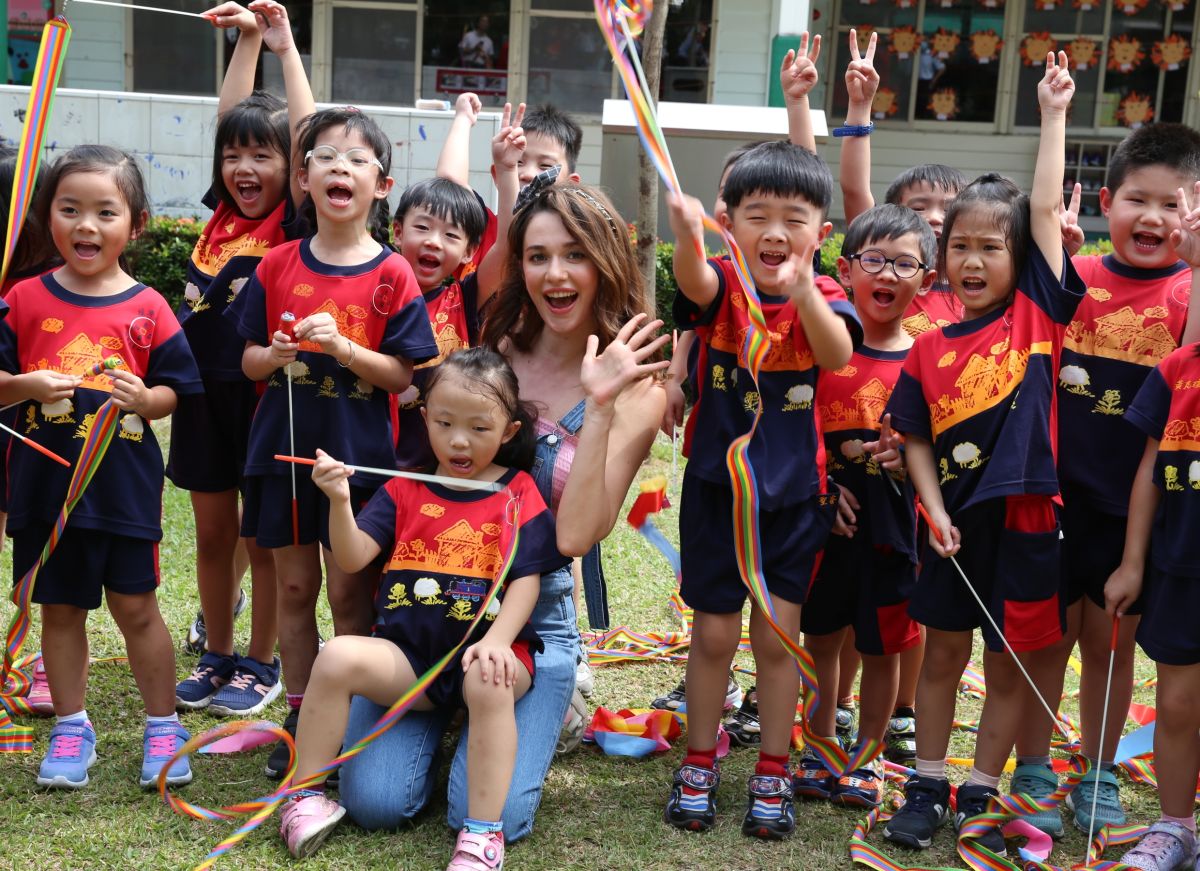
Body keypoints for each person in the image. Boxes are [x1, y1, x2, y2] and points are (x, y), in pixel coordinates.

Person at [337, 183, 666, 842]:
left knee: (487, 818)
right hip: (429, 610)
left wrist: (598, 408)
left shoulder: (639, 391)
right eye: (537, 256)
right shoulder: (499, 346)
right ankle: (448, 712)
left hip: (531, 626)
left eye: (574, 255)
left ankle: (542, 703)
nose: (554, 274)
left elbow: (572, 534)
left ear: (606, 261)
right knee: (375, 802)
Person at [880, 53, 1081, 857]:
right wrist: (930, 509)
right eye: (959, 247)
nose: (972, 261)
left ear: (1018, 259)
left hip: (1029, 524)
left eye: (990, 248)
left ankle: (982, 786)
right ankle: (927, 780)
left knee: (1006, 663)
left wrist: (1053, 115)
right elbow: (917, 439)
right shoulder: (926, 351)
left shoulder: (1039, 313)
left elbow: (1038, 219)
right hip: (953, 529)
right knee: (942, 657)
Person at [279, 348, 570, 867]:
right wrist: (340, 501)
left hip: (488, 657)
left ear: (508, 431)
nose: (459, 440)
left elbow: (527, 579)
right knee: (338, 656)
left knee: (488, 677)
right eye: (444, 423)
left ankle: (482, 833)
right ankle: (304, 796)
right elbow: (351, 556)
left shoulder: (518, 491)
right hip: (408, 660)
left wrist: (499, 640)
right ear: (425, 417)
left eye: (479, 428)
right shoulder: (403, 488)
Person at [225, 105, 438, 779]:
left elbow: (405, 375)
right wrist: (275, 351)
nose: (339, 166)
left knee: (350, 593)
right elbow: (248, 359)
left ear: (382, 185)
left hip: (359, 462)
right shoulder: (277, 263)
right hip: (280, 454)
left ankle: (346, 710)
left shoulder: (393, 273)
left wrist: (345, 348)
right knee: (292, 587)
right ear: (304, 178)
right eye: (324, 156)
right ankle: (299, 711)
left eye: (356, 159)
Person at [664, 139, 860, 840]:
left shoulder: (827, 297)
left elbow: (837, 353)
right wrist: (688, 234)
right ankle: (698, 761)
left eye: (793, 218)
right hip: (717, 492)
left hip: (792, 501)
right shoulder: (720, 284)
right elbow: (694, 283)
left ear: (821, 234)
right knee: (713, 633)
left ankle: (773, 768)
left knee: (778, 639)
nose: (774, 232)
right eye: (755, 215)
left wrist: (805, 289)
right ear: (728, 220)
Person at [1013, 125, 1200, 838]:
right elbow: (1035, 223)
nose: (1151, 218)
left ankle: (1096, 772)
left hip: (1138, 515)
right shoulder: (1073, 277)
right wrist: (1054, 114)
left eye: (1169, 205)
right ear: (1103, 199)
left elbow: (1186, 392)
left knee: (1110, 647)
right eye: (1135, 199)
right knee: (1045, 640)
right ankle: (1032, 767)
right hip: (1054, 500)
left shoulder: (1190, 292)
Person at [0, 145, 202, 789]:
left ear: (135, 224)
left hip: (123, 489)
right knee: (59, 609)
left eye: (104, 212)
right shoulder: (23, 300)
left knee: (137, 607)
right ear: (46, 218)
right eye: (70, 210)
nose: (86, 226)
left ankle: (164, 724)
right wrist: (26, 385)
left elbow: (175, 388)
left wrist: (146, 399)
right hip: (43, 491)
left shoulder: (149, 308)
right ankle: (70, 723)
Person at [170, 0, 314, 718]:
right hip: (199, 396)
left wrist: (283, 50)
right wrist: (246, 40)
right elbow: (231, 116)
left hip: (260, 400)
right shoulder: (220, 219)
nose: (243, 167)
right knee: (212, 533)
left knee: (260, 541)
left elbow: (309, 133)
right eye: (234, 155)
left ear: (295, 171)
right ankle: (218, 653)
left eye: (263, 155)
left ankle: (261, 664)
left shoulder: (290, 223)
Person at [834, 27, 971, 766]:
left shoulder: (962, 311)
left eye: (948, 212)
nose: (936, 218)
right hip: (858, 482)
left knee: (907, 617)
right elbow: (855, 199)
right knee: (853, 617)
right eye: (920, 207)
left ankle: (906, 715)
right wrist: (857, 109)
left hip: (926, 490)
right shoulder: (879, 289)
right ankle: (845, 710)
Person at [797, 204, 934, 809]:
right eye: (873, 260)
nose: (887, 274)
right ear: (846, 269)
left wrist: (907, 463)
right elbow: (789, 434)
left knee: (884, 647)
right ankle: (819, 742)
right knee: (820, 636)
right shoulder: (821, 347)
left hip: (896, 529)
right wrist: (823, 491)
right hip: (823, 524)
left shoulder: (930, 358)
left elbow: (945, 450)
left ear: (926, 281)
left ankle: (868, 757)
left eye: (905, 263)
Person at [1106, 264, 1200, 869]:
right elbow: (1147, 472)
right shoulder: (1177, 369)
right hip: (1179, 569)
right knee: (1176, 704)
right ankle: (1175, 828)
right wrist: (1132, 563)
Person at [390, 106, 525, 470]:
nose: (434, 241)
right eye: (423, 228)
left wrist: (508, 169)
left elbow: (510, 244)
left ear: (469, 251)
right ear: (398, 231)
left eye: (451, 235)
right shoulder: (375, 287)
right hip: (375, 458)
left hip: (444, 464)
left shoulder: (463, 297)